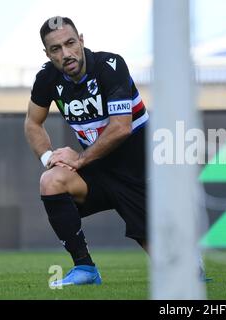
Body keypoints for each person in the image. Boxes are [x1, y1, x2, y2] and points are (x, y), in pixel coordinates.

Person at [24, 16, 150, 287]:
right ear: (47, 53)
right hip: (98, 172)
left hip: (139, 174)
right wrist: (51, 159)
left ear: (81, 40)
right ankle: (85, 268)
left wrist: (79, 159)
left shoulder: (109, 66)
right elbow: (33, 123)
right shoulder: (48, 78)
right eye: (55, 49)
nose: (65, 53)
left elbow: (121, 128)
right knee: (51, 181)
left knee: (181, 271)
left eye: (70, 43)